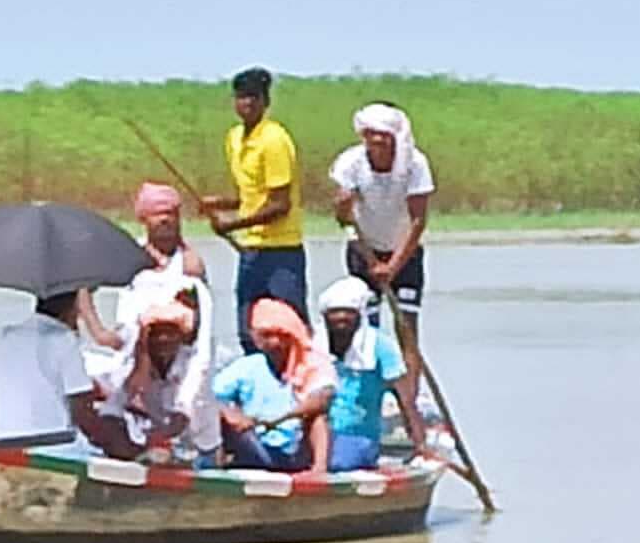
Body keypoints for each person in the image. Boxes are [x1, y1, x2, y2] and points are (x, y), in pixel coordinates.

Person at [200, 67, 308, 351]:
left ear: (265, 102)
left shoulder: (274, 140)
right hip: (251, 251)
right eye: (241, 98)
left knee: (289, 328)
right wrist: (220, 204)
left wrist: (231, 225)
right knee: (249, 331)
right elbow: (250, 196)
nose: (247, 104)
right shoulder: (234, 138)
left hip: (281, 250)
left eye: (253, 98)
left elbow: (279, 204)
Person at [330, 102, 434, 337]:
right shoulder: (350, 163)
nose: (377, 140)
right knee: (367, 329)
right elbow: (345, 221)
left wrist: (392, 266)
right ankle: (371, 373)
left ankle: (409, 374)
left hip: (405, 252)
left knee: (407, 327)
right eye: (370, 134)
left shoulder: (415, 164)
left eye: (383, 134)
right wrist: (372, 261)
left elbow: (418, 220)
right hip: (364, 253)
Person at [91, 298, 223, 466]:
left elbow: (182, 414)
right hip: (162, 448)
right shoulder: (138, 364)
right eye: (156, 333)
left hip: (200, 449)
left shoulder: (195, 365)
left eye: (170, 333)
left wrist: (155, 441)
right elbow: (114, 405)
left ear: (181, 337)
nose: (163, 339)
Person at [78, 181, 207, 353]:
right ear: (143, 218)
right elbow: (81, 284)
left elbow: (200, 318)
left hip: (177, 355)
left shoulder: (190, 262)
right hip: (130, 352)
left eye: (170, 213)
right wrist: (99, 333)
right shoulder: (128, 255)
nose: (164, 219)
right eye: (156, 214)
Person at [315, 277, 426, 471]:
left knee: (338, 463)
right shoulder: (312, 345)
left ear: (360, 315)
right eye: (335, 312)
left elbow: (406, 401)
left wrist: (421, 447)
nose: (341, 317)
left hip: (356, 436)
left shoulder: (380, 347)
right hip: (313, 434)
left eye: (348, 312)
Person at [212, 299, 334, 473]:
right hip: (256, 444)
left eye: (281, 336)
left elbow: (322, 399)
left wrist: (280, 419)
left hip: (296, 448)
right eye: (267, 336)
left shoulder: (310, 365)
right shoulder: (247, 366)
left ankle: (318, 469)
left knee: (318, 418)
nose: (275, 343)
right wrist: (232, 414)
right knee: (222, 417)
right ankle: (217, 465)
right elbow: (210, 396)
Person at [0, 292, 103, 445]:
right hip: (47, 443)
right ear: (73, 305)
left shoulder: (6, 334)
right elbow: (82, 412)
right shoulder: (63, 338)